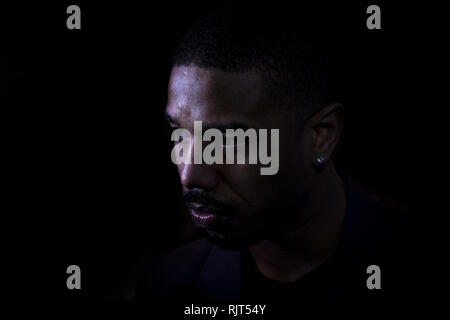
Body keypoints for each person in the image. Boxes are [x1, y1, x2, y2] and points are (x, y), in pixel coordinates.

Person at [136, 7, 411, 312]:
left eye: (227, 140)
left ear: (322, 135)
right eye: (180, 135)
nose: (190, 174)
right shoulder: (168, 285)